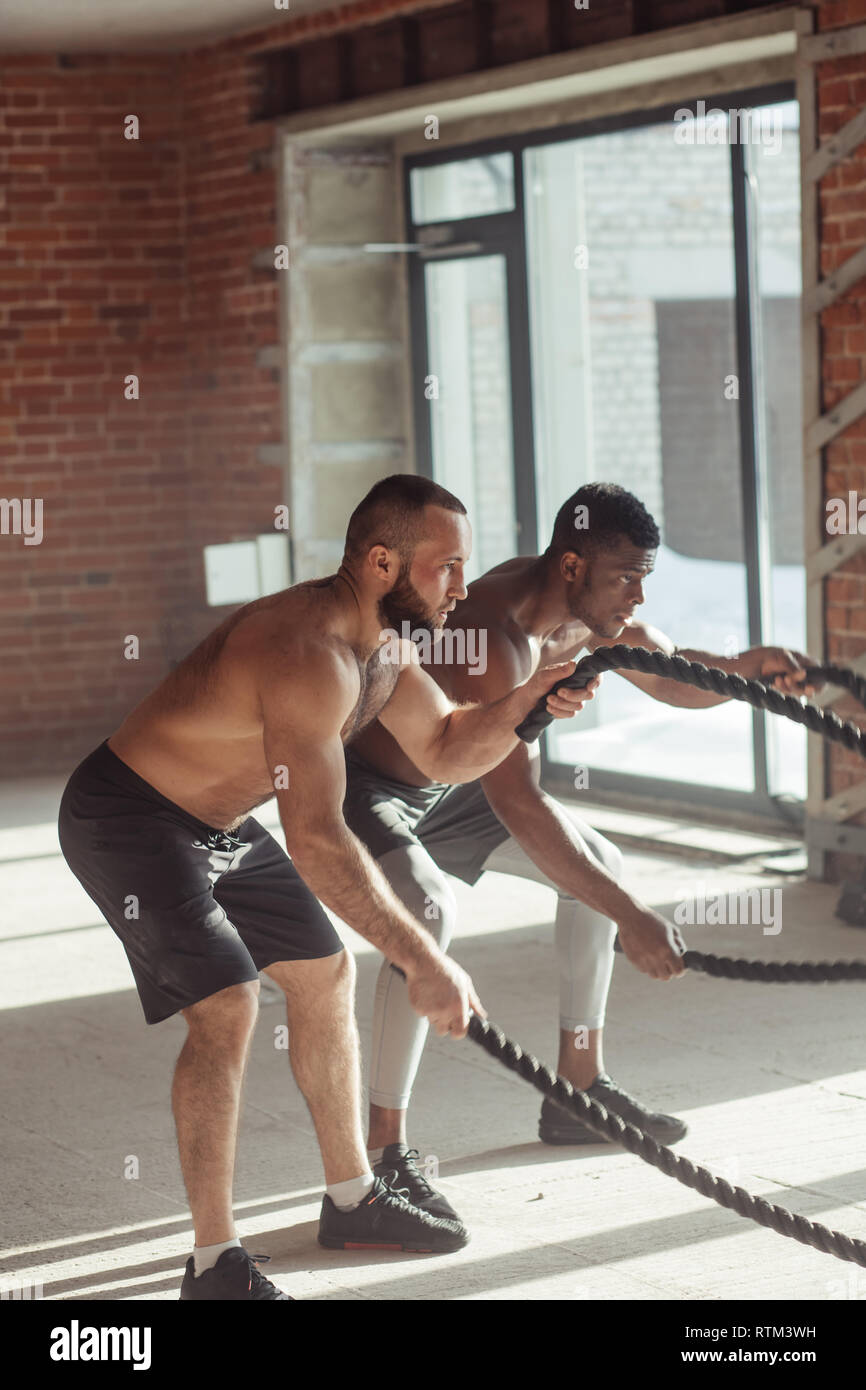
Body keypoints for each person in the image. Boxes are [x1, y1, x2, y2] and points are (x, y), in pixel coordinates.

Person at [58, 474, 594, 1300]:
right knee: (230, 1005)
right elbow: (315, 837)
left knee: (325, 974)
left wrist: (530, 703)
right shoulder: (308, 654)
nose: (461, 586)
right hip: (128, 816)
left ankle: (352, 1201)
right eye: (446, 566)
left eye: (464, 565)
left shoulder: (382, 647)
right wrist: (424, 959)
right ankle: (212, 1265)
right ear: (383, 563)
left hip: (218, 823)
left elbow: (448, 748)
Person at [344, 482, 819, 1226]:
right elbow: (519, 805)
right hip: (379, 787)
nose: (636, 596)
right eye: (625, 578)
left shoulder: (586, 616)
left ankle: (578, 1089)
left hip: (457, 779)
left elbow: (668, 673)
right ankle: (383, 1155)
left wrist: (747, 669)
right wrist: (633, 919)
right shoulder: (496, 638)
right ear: (572, 565)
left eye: (644, 579)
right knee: (427, 914)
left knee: (600, 860)